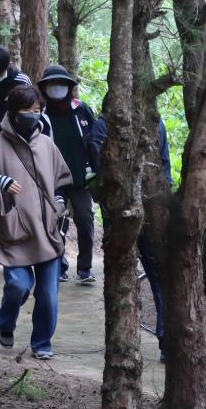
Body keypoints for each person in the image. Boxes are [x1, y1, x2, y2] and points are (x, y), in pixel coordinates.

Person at [0, 84, 73, 360]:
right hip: (13, 231)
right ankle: (5, 321)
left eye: (37, 111)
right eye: (27, 111)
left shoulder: (47, 145)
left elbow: (62, 182)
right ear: (13, 113)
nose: (32, 115)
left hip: (48, 233)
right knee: (18, 285)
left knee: (48, 295)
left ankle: (42, 342)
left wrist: (60, 204)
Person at [90, 99, 171, 361]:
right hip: (122, 214)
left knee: (155, 276)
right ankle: (126, 342)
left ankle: (165, 340)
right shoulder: (102, 128)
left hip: (145, 213)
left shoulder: (154, 126)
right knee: (125, 275)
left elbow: (164, 166)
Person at [37, 64, 100, 285]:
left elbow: (96, 141)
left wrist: (98, 171)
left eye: (61, 84)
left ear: (69, 87)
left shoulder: (82, 110)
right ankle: (59, 265)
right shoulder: (40, 116)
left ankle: (85, 268)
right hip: (53, 180)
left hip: (81, 178)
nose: (57, 89)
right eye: (52, 85)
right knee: (56, 220)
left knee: (85, 218)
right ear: (44, 88)